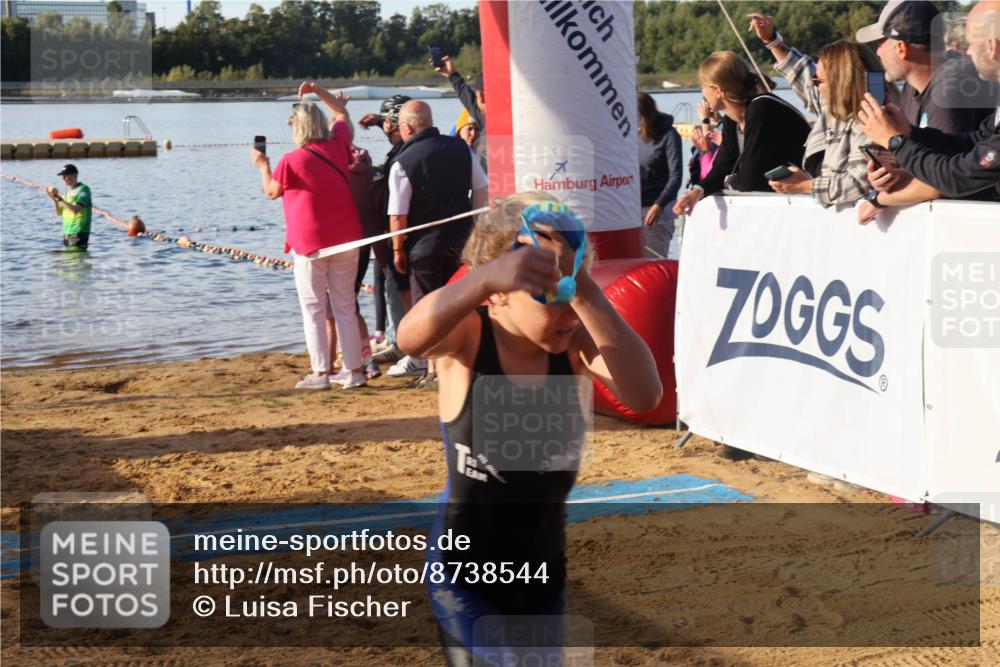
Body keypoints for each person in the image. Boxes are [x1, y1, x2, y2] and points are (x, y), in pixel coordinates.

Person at [395, 192, 661, 666]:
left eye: (570, 292)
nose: (563, 310)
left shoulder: (575, 343)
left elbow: (645, 395)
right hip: (464, 574)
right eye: (546, 294)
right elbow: (410, 337)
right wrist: (480, 281)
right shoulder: (470, 338)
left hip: (542, 574)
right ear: (498, 292)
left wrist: (586, 289)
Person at [250, 82, 367, 390]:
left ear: (298, 128)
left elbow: (271, 191)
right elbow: (341, 112)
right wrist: (317, 89)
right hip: (347, 237)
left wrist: (263, 166)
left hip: (310, 243)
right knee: (345, 305)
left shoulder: (292, 159)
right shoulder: (339, 143)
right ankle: (355, 372)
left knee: (313, 307)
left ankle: (321, 374)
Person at [856, 0, 1000, 220]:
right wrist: (910, 134)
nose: (967, 53)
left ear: (993, 48)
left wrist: (895, 142)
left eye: (971, 43)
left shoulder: (953, 82)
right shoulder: (913, 89)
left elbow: (956, 178)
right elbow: (973, 143)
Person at [386, 100, 489, 386]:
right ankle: (460, 364)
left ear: (406, 127)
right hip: (462, 241)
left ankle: (434, 370)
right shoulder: (461, 148)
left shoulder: (403, 162)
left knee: (428, 309)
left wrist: (397, 250)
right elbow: (481, 190)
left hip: (424, 247)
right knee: (460, 305)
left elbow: (398, 214)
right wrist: (477, 231)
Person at [748, 14, 882, 207]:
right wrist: (772, 41)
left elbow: (859, 183)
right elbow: (802, 74)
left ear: (840, 82)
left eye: (818, 81)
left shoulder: (871, 120)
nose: (815, 86)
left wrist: (806, 186)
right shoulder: (834, 107)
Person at [672, 51, 811, 217]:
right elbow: (723, 166)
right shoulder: (734, 117)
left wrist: (728, 180)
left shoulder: (762, 108)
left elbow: (749, 179)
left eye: (703, 86)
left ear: (717, 90)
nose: (701, 92)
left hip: (807, 198)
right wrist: (696, 192)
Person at [857, 0, 995, 135]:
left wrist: (891, 140)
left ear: (901, 48)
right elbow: (922, 151)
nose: (877, 53)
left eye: (880, 45)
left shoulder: (949, 87)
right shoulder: (911, 87)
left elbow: (944, 155)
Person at [360, 95, 413, 367]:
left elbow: (395, 184)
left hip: (401, 230)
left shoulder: (404, 150)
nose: (385, 128)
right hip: (401, 229)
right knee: (392, 285)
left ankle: (405, 344)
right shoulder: (406, 143)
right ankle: (397, 339)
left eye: (387, 123)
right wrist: (380, 119)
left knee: (396, 285)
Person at [636, 92, 683, 258]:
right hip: (634, 210)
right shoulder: (634, 135)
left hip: (658, 211)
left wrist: (659, 205)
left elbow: (676, 176)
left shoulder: (669, 136)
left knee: (653, 263)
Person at [433, 55, 486, 131]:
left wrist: (452, 75)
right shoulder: (483, 115)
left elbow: (467, 97)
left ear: (480, 96)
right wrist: (452, 75)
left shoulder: (483, 117)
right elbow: (467, 96)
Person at [46, 164, 92, 251]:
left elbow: (75, 209)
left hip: (79, 231)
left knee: (76, 260)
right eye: (62, 176)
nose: (63, 178)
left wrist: (59, 198)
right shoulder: (68, 192)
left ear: (75, 175)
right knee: (69, 262)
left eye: (66, 175)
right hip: (67, 232)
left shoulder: (84, 189)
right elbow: (59, 212)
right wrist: (54, 198)